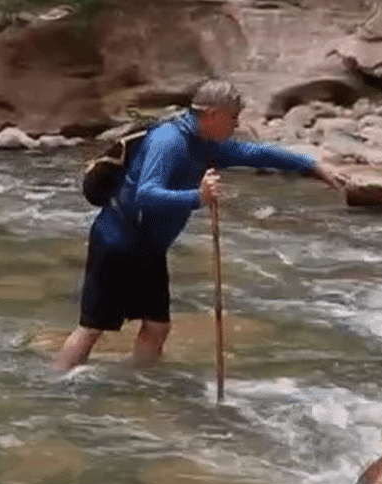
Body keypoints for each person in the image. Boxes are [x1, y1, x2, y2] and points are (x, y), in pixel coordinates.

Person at [54, 80, 347, 372]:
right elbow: (146, 194)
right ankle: (58, 384)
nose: (236, 124)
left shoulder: (207, 145)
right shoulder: (168, 142)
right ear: (212, 115)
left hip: (150, 248)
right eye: (233, 117)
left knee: (157, 327)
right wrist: (198, 196)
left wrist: (313, 166)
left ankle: (130, 385)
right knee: (92, 328)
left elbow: (257, 154)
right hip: (118, 241)